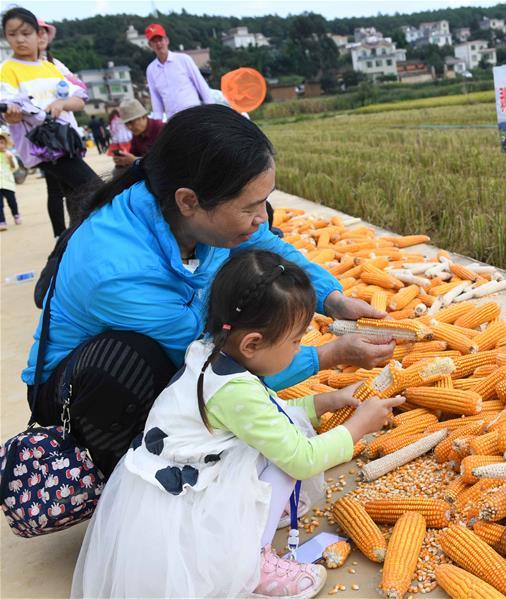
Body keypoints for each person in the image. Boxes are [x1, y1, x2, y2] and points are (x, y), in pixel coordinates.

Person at [23, 104, 394, 477]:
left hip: (166, 347)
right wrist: (329, 355)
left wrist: (331, 299)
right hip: (84, 390)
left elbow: (269, 248)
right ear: (189, 201)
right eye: (249, 207)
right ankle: (123, 474)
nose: (262, 217)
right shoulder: (116, 271)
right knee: (129, 359)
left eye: (264, 201)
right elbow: (214, 366)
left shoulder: (192, 216)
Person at [71, 249, 405, 598]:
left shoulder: (209, 352)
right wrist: (358, 427)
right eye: (295, 341)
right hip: (183, 501)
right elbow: (302, 458)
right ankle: (252, 565)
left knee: (277, 439)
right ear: (253, 343)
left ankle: (251, 523)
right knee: (284, 459)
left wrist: (325, 402)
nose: (299, 348)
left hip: (170, 479)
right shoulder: (236, 389)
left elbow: (267, 414)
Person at [0, 7, 101, 236]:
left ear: (39, 35)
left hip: (67, 141)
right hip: (44, 147)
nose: (20, 39)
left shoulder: (50, 67)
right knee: (96, 190)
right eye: (12, 34)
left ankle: (70, 251)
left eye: (26, 33)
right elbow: (6, 106)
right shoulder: (6, 69)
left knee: (78, 200)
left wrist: (62, 104)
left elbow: (79, 99)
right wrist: (11, 113)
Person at [145, 23, 213, 120]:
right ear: (150, 45)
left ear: (166, 40)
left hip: (193, 114)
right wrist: (157, 123)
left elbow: (201, 85)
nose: (159, 44)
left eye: (160, 40)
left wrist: (211, 110)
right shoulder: (151, 70)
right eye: (154, 41)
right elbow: (156, 99)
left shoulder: (184, 59)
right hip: (173, 120)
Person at [110, 98, 163, 178]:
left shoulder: (161, 129)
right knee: (117, 172)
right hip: (147, 170)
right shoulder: (137, 134)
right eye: (126, 124)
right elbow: (133, 154)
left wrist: (136, 160)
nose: (129, 127)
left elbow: (164, 161)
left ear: (144, 117)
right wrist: (123, 161)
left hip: (161, 172)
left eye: (131, 122)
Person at [0, 130, 21, 229]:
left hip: (8, 183)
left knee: (12, 201)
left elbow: (15, 167)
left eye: (1, 142)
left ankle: (16, 214)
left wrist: (10, 161)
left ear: (5, 144)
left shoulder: (9, 154)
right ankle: (2, 221)